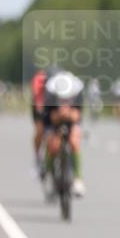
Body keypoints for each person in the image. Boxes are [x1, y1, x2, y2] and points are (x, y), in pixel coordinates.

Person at [43, 69, 86, 197]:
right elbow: (49, 117)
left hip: (71, 120)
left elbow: (78, 115)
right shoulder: (50, 92)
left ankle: (78, 179)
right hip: (54, 120)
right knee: (53, 145)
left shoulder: (77, 90)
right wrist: (59, 116)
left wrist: (70, 115)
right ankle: (49, 173)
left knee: (74, 141)